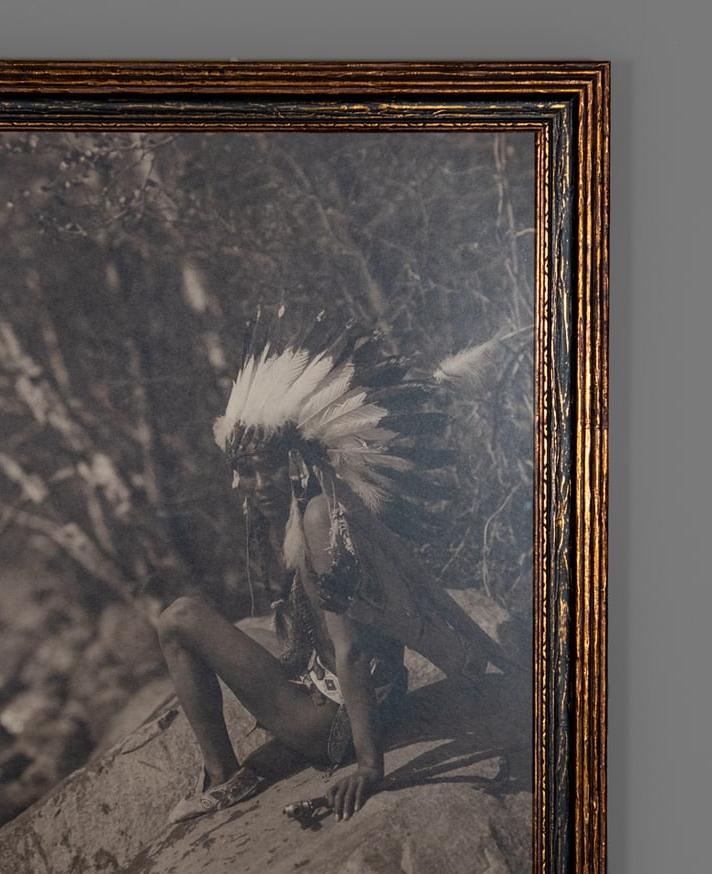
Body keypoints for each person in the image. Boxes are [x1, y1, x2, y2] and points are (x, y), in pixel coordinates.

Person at [158, 323, 508, 825]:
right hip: (376, 696)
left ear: (297, 459)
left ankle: (223, 777)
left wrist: (369, 765)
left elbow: (352, 649)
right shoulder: (336, 503)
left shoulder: (320, 519)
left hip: (330, 724)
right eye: (245, 471)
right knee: (242, 630)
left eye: (263, 467)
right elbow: (411, 594)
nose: (252, 485)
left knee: (180, 618)